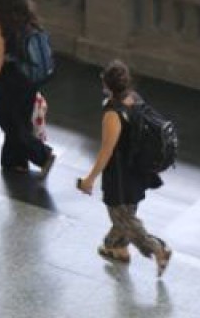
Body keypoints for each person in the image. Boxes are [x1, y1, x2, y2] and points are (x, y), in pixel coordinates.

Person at [76, 60, 172, 276]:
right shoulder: (135, 99)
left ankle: (158, 248)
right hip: (139, 170)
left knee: (124, 217)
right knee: (126, 213)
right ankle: (116, 247)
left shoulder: (113, 113)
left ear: (107, 85)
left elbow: (107, 151)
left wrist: (90, 179)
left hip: (120, 174)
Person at [0, 0, 56, 177]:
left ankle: (43, 156)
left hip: (13, 77)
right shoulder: (26, 9)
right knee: (21, 120)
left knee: (7, 121)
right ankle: (15, 162)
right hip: (29, 76)